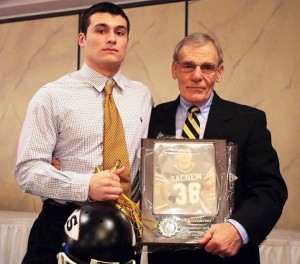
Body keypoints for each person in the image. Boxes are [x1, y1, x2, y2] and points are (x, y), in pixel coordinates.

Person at [14, 2, 152, 264]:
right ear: (82, 39)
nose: (111, 38)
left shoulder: (142, 95)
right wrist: (85, 185)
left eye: (120, 32)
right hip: (62, 225)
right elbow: (26, 170)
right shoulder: (52, 96)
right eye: (101, 30)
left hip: (122, 231)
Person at [147, 32, 287, 264]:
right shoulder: (152, 118)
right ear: (174, 69)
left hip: (226, 256)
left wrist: (238, 229)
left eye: (207, 67)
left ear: (219, 72)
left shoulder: (248, 121)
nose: (197, 75)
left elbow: (270, 189)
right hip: (165, 256)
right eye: (188, 66)